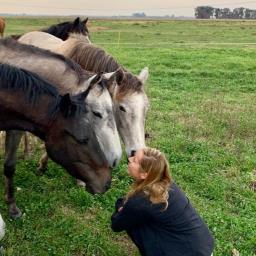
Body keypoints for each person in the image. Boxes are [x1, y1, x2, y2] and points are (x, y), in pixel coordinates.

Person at [111, 147, 214, 256]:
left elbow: (116, 225)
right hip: (204, 245)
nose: (130, 159)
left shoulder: (140, 203)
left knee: (135, 224)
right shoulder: (168, 185)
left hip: (190, 252)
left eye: (134, 160)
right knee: (141, 219)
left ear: (144, 175)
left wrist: (122, 208)